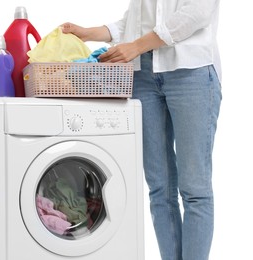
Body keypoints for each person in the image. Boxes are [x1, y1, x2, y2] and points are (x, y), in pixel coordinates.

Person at [62, 0, 222, 259]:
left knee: (195, 190)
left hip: (190, 73)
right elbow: (135, 22)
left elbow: (197, 13)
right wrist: (88, 33)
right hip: (143, 76)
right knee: (160, 189)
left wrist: (135, 46)